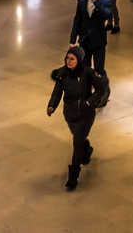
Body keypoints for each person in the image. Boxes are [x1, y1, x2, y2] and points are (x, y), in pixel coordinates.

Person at [48, 46, 109, 191]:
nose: (68, 61)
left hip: (85, 114)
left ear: (79, 60)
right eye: (67, 58)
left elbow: (101, 88)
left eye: (72, 59)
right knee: (79, 139)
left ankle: (73, 177)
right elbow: (57, 92)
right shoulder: (63, 74)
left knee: (77, 142)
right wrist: (51, 106)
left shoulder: (88, 72)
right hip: (70, 114)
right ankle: (86, 150)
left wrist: (90, 102)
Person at [70, 0, 112, 75]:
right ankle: (86, 90)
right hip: (85, 41)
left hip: (98, 42)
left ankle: (102, 89)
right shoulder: (82, 1)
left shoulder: (105, 1)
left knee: (99, 71)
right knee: (85, 70)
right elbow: (77, 20)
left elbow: (106, 15)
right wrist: (72, 40)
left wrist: (96, 2)